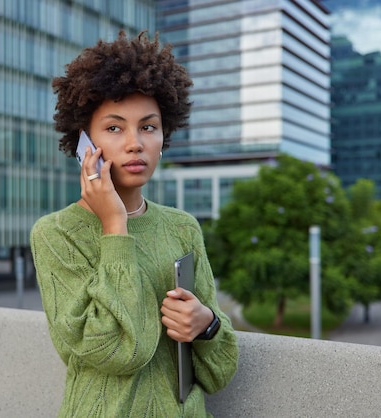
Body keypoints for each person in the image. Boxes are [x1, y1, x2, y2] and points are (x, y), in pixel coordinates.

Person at [30, 30, 239, 417]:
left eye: (148, 126)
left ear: (164, 135)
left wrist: (206, 325)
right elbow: (120, 351)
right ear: (84, 142)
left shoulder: (182, 228)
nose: (134, 143)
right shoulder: (55, 234)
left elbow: (220, 372)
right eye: (113, 128)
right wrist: (115, 227)